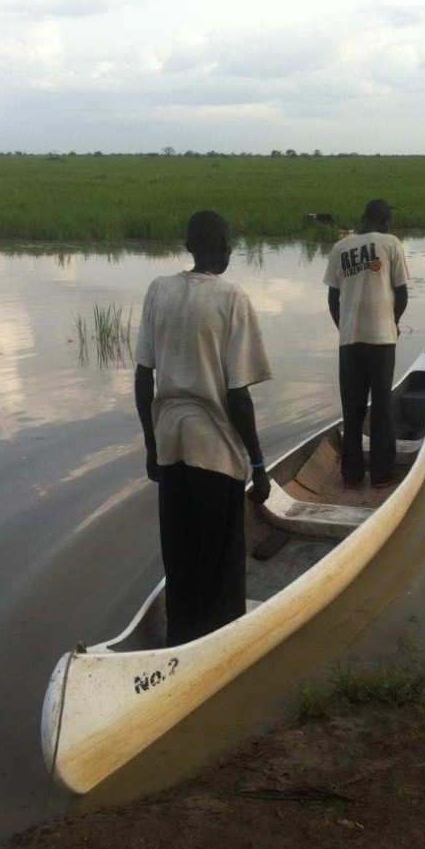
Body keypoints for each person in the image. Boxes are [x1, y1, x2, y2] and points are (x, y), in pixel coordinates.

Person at [134, 210, 272, 647]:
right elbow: (238, 396)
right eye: (229, 241)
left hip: (171, 443)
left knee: (181, 560)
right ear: (221, 247)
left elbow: (143, 377)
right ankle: (221, 649)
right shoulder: (231, 298)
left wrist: (151, 447)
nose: (231, 249)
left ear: (190, 246)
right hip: (213, 452)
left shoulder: (159, 290)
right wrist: (258, 462)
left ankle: (180, 642)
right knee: (221, 567)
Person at [323, 198, 409, 488]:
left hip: (349, 341)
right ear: (383, 220)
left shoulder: (340, 247)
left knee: (352, 408)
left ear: (364, 217)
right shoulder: (391, 243)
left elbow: (333, 298)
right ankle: (382, 474)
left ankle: (351, 475)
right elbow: (402, 293)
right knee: (382, 406)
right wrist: (391, 323)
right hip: (381, 339)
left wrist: (344, 328)